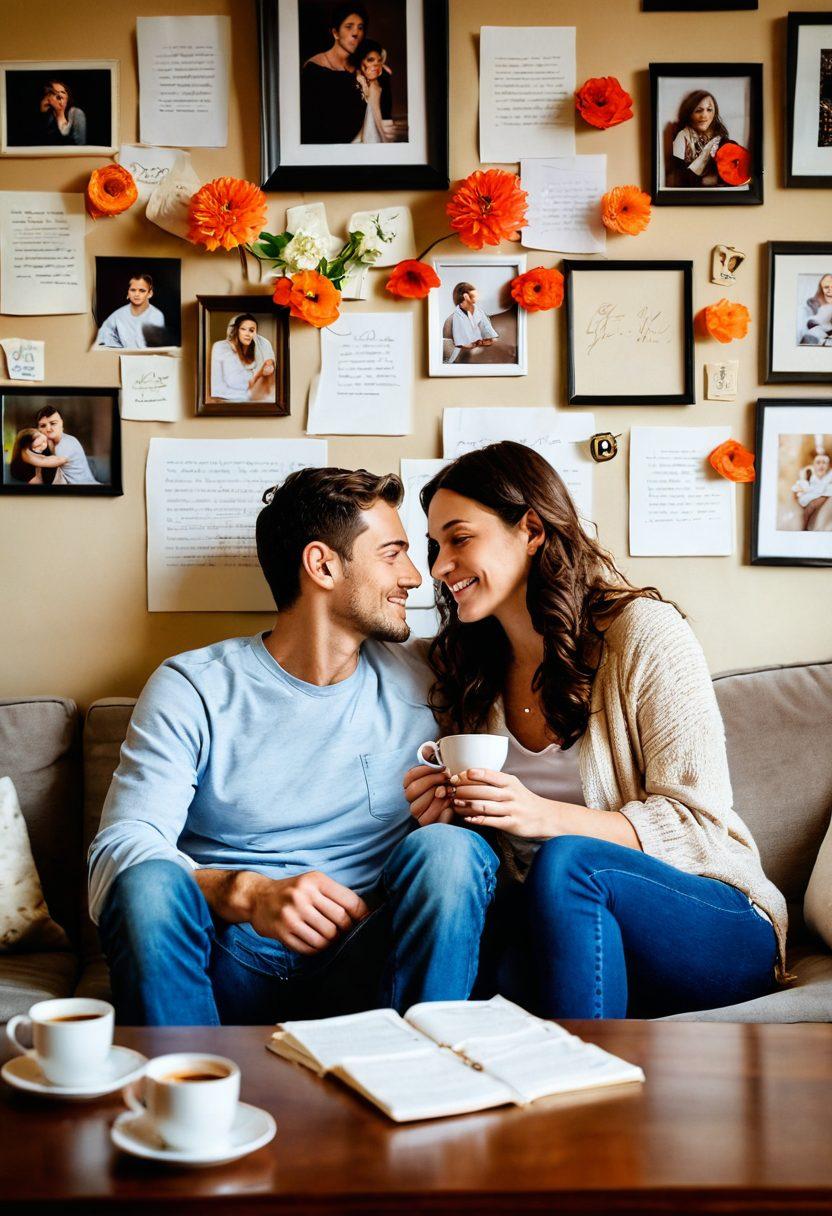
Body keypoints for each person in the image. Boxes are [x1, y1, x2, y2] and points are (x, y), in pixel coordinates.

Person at [88, 467, 498, 1026]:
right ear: (322, 565)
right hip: (230, 957)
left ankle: (417, 1063)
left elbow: (531, 623)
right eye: (393, 554)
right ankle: (191, 1078)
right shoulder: (194, 687)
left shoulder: (429, 676)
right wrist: (250, 894)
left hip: (367, 958)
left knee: (450, 851)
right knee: (147, 885)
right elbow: (117, 856)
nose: (413, 577)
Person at [403, 441, 786, 1020]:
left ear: (531, 530)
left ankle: (585, 1078)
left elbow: (697, 821)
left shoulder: (644, 634)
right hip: (573, 934)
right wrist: (451, 811)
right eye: (435, 546)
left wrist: (542, 815)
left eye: (459, 539)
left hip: (711, 918)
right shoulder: (469, 669)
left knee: (570, 861)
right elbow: (500, 857)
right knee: (468, 885)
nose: (438, 567)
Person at [300, 5, 369, 143]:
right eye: (349, 27)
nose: (356, 33)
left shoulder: (362, 68)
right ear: (335, 33)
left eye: (360, 27)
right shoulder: (314, 69)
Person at [669, 90, 730, 188]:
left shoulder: (720, 138)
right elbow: (678, 175)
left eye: (709, 110)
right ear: (689, 113)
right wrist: (704, 181)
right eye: (698, 110)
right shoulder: (683, 137)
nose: (704, 116)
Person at [210, 314, 276, 403]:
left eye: (251, 330)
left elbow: (267, 363)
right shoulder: (221, 347)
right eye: (243, 329)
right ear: (236, 330)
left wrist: (265, 367)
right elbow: (232, 382)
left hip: (248, 396)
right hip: (228, 398)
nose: (247, 334)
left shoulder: (253, 350)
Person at [95, 274, 167, 350]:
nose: (137, 294)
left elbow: (156, 346)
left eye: (142, 291)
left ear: (150, 293)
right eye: (133, 290)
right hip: (122, 356)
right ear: (128, 293)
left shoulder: (156, 315)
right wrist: (118, 350)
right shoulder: (118, 315)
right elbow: (103, 337)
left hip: (148, 356)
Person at [35, 406, 98, 485]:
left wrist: (25, 454)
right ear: (38, 429)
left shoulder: (67, 443)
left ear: (61, 423)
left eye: (53, 423)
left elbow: (41, 463)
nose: (48, 429)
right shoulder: (47, 444)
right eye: (43, 426)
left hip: (86, 489)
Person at [350, 39, 393, 144]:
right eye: (370, 60)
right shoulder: (354, 82)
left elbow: (379, 117)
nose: (376, 65)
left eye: (379, 61)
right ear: (360, 61)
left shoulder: (377, 84)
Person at [449, 283, 498, 352]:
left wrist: (489, 339)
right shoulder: (457, 315)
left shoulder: (478, 310)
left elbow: (486, 327)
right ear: (466, 296)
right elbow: (459, 339)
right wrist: (472, 344)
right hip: (466, 350)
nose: (477, 298)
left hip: (479, 347)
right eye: (474, 296)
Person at [792, 449, 832, 530]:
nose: (821, 466)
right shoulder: (811, 474)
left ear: (828, 465)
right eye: (818, 463)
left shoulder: (829, 476)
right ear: (814, 465)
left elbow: (826, 490)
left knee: (812, 505)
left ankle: (805, 527)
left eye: (824, 463)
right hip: (811, 494)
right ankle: (803, 527)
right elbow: (803, 486)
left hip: (825, 493)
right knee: (805, 504)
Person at [39, 79, 87, 146]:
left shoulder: (76, 113)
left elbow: (80, 144)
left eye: (62, 92)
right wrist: (43, 110)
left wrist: (60, 112)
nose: (59, 95)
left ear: (68, 97)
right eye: (54, 93)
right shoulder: (48, 117)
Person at [798, 274, 832, 346]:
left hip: (824, 327)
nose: (830, 290)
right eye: (826, 287)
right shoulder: (817, 301)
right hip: (815, 323)